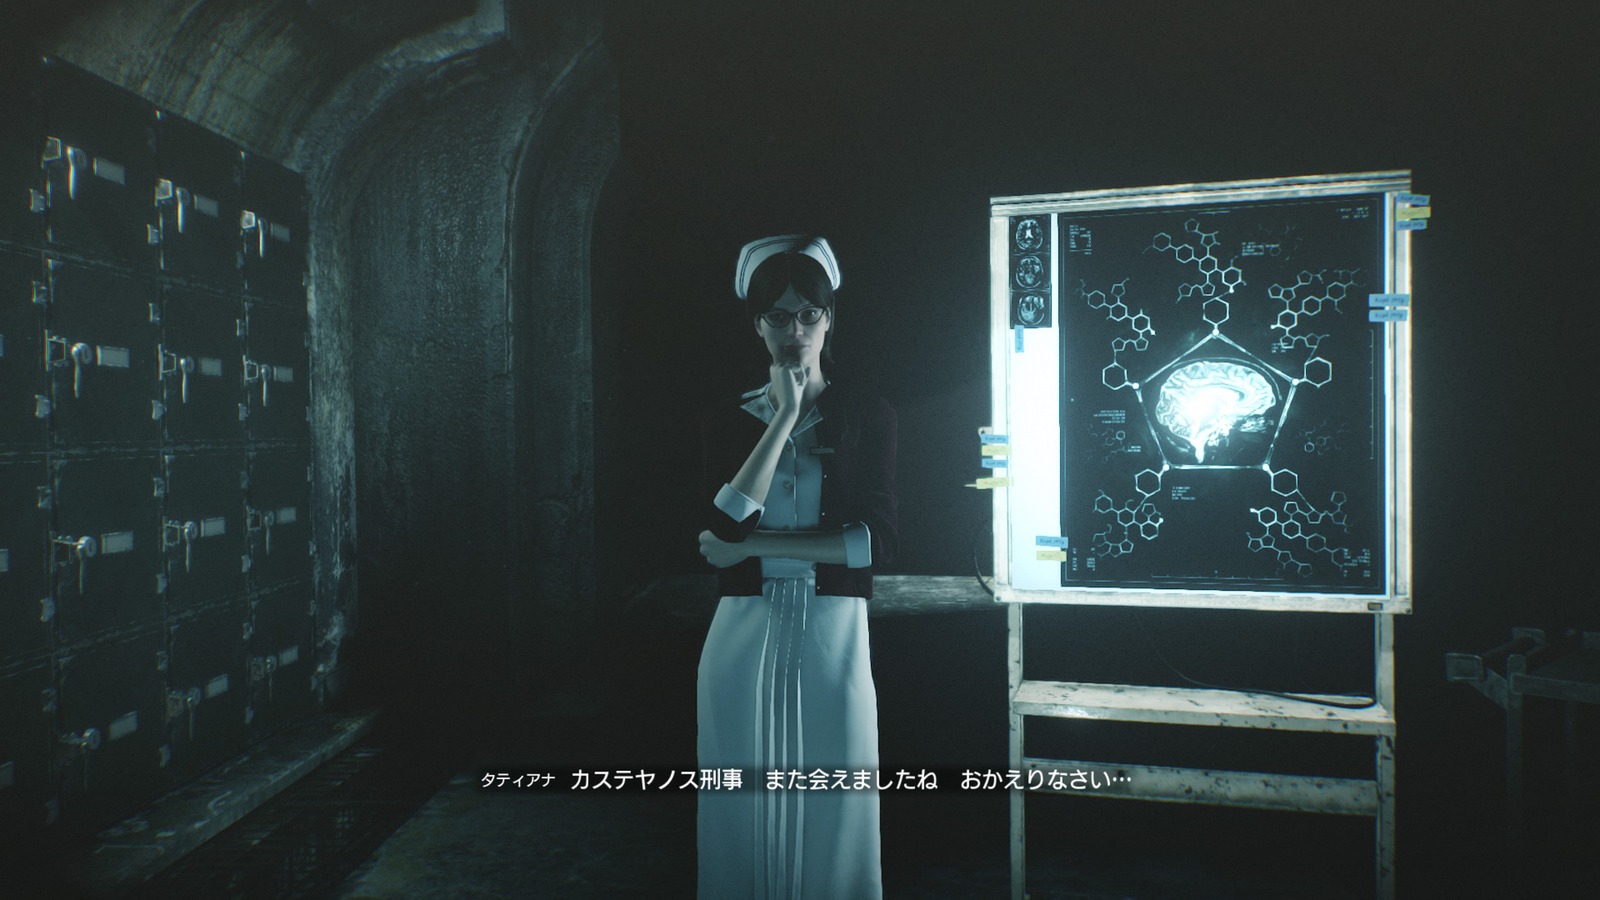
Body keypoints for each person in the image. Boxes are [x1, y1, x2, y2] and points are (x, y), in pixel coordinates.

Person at [696, 235, 898, 899]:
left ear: (829, 319)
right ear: (757, 324)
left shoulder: (866, 416)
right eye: (779, 316)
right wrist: (783, 416)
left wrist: (754, 548)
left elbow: (876, 545)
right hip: (741, 632)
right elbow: (723, 525)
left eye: (809, 314)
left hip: (834, 629)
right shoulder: (729, 418)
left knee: (836, 796)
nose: (795, 331)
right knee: (740, 799)